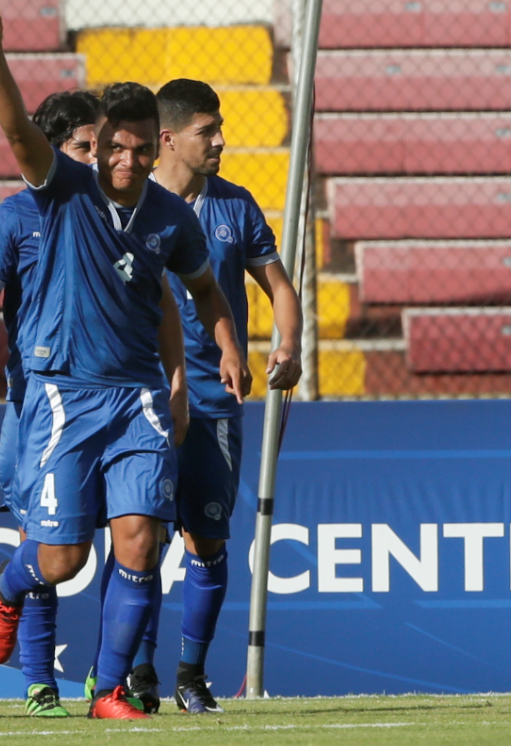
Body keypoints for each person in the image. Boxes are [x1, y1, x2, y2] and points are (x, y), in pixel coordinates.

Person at [0, 0, 249, 720]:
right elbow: (14, 128)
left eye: (137, 147)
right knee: (61, 559)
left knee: (139, 541)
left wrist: (221, 350)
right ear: (97, 147)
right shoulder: (60, 193)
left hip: (140, 398)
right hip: (62, 395)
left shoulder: (169, 216)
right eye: (111, 146)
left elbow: (199, 292)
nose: (123, 159)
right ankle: (6, 591)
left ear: (156, 146)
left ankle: (111, 689)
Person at [0, 89, 190, 717]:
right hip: (39, 399)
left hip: (119, 396)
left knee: (137, 536)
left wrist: (177, 379)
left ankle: (111, 681)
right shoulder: (17, 216)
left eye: (104, 144)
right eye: (85, 147)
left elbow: (159, 301)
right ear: (56, 152)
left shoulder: (124, 215)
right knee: (50, 545)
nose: (100, 158)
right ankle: (39, 682)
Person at [155, 78, 303, 714]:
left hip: (216, 398)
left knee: (208, 541)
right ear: (169, 138)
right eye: (205, 131)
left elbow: (281, 288)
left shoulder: (235, 207)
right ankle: (125, 672)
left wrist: (288, 346)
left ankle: (190, 674)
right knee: (136, 534)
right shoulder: (128, 207)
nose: (221, 140)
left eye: (220, 129)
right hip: (144, 397)